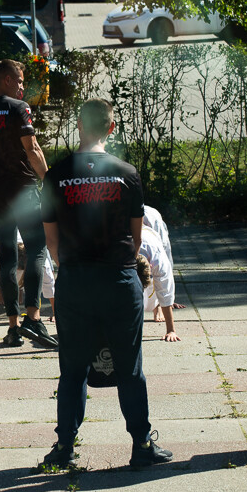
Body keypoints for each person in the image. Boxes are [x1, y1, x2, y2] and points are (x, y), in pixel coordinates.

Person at [40, 98, 169, 469]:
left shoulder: (56, 175)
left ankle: (64, 446)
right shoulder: (126, 173)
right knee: (130, 366)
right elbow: (136, 236)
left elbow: (51, 241)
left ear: (78, 125)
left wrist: (73, 267)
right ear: (111, 128)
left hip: (76, 280)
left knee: (73, 367)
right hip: (118, 278)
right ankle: (141, 446)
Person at [0, 59, 57, 348]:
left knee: (7, 257)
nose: (21, 86)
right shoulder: (19, 109)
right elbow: (32, 149)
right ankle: (34, 318)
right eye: (18, 81)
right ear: (5, 79)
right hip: (26, 192)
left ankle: (13, 328)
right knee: (38, 251)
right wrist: (52, 184)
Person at [0, 237, 55, 324]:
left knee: (47, 272)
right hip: (3, 236)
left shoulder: (40, 261)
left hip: (33, 237)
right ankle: (4, 289)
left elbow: (49, 284)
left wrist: (56, 313)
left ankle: (19, 289)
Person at [138, 227, 178, 340]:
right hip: (128, 232)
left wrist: (171, 330)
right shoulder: (121, 256)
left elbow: (166, 292)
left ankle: (157, 306)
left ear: (151, 267)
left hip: (153, 232)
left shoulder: (160, 263)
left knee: (159, 286)